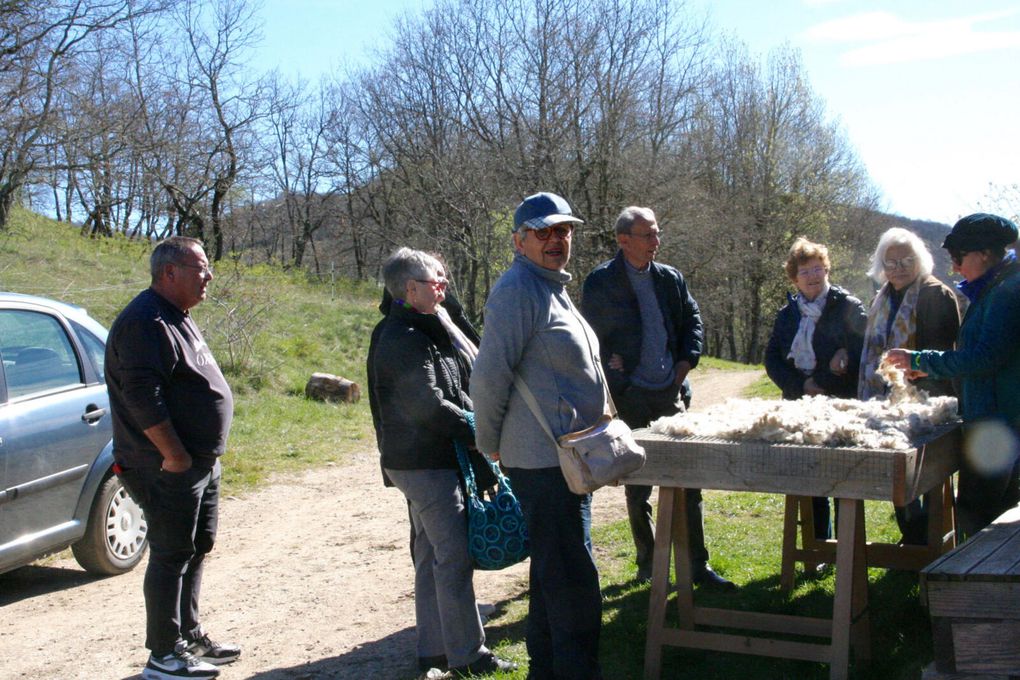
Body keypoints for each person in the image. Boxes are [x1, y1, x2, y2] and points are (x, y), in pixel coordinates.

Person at [472, 192, 605, 679]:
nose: (557, 240)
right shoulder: (518, 290)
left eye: (564, 230)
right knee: (573, 582)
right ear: (519, 241)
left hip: (566, 460)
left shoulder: (552, 286)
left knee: (555, 572)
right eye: (544, 231)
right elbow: (489, 375)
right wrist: (490, 442)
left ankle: (546, 670)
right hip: (542, 464)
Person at [368, 247, 515, 677]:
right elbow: (429, 406)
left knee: (431, 553)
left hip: (424, 461)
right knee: (453, 558)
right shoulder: (402, 338)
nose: (444, 288)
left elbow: (454, 389)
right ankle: (469, 656)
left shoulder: (426, 327)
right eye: (436, 282)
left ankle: (433, 650)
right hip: (423, 464)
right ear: (409, 289)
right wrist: (482, 431)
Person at [580, 206, 734, 590]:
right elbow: (591, 338)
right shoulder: (602, 281)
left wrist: (684, 366)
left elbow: (691, 321)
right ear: (623, 240)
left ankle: (697, 565)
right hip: (630, 397)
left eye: (656, 234)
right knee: (637, 481)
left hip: (669, 392)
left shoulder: (670, 279)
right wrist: (619, 373)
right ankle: (649, 563)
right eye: (647, 235)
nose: (656, 241)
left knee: (688, 479)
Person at [105, 236, 239, 680]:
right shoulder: (144, 321)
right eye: (201, 268)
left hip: (199, 461)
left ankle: (189, 634)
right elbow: (142, 397)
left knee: (196, 547)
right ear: (170, 273)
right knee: (170, 553)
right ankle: (163, 654)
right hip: (163, 465)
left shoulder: (175, 315)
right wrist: (175, 454)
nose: (209, 276)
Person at [887, 213, 1020, 540]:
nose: (956, 267)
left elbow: (985, 357)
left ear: (984, 254)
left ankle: (973, 589)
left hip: (995, 422)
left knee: (979, 519)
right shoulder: (997, 287)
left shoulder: (1004, 293)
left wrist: (922, 359)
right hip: (999, 417)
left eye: (959, 258)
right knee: (997, 519)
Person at [858, 227, 961, 545]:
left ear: (920, 259)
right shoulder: (882, 297)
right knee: (897, 473)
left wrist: (915, 371)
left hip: (928, 401)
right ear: (881, 266)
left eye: (906, 260)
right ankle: (912, 535)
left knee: (928, 475)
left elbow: (943, 351)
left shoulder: (934, 293)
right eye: (891, 262)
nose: (898, 267)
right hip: (887, 400)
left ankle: (928, 542)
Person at [764, 237, 867, 543]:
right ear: (794, 277)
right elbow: (772, 360)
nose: (812, 276)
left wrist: (845, 355)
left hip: (840, 403)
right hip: (799, 405)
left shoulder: (848, 306)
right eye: (805, 271)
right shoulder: (787, 315)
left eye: (818, 269)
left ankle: (847, 547)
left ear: (827, 270)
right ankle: (817, 545)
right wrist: (802, 385)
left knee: (842, 475)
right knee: (808, 473)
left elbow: (865, 351)